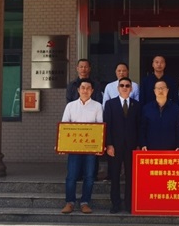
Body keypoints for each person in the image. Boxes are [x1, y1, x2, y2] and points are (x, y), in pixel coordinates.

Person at [60, 78, 103, 214]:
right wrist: (61, 145)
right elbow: (64, 126)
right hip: (74, 148)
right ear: (78, 90)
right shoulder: (70, 106)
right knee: (71, 176)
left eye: (88, 88)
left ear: (92, 90)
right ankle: (70, 202)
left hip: (91, 148)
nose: (85, 90)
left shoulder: (97, 106)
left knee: (89, 176)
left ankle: (85, 202)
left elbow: (100, 127)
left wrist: (100, 146)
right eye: (83, 88)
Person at [104, 77, 140, 213]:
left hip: (131, 146)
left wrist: (138, 145)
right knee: (115, 175)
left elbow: (139, 126)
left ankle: (129, 204)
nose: (125, 88)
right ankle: (116, 204)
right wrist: (109, 144)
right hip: (115, 146)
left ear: (131, 89)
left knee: (131, 176)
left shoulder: (137, 105)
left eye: (127, 86)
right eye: (122, 85)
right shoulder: (110, 104)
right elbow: (107, 125)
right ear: (118, 88)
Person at [140, 80, 179, 151]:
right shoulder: (147, 108)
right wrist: (143, 144)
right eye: (158, 88)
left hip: (171, 149)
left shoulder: (175, 109)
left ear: (167, 90)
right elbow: (143, 128)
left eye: (163, 88)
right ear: (154, 91)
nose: (161, 90)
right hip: (150, 149)